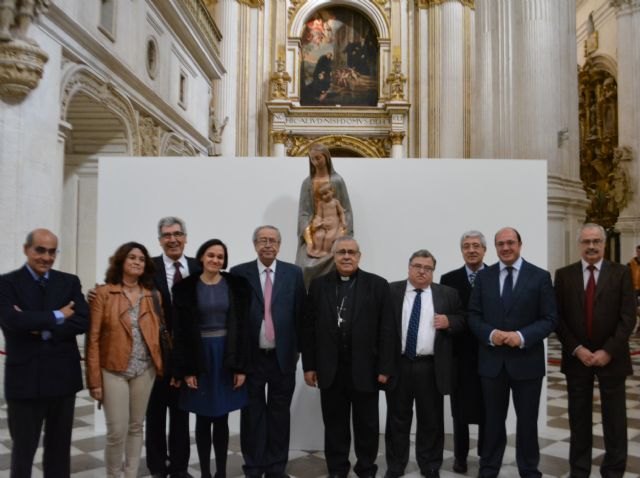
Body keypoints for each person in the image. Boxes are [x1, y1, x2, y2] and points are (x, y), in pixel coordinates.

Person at [302, 236, 395, 478]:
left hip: (366, 369)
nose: (346, 256)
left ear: (359, 256)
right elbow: (309, 329)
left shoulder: (377, 285)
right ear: (333, 256)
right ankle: (337, 469)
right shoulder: (319, 285)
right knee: (335, 425)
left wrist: (385, 367)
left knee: (367, 425)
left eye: (351, 252)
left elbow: (387, 329)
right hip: (330, 369)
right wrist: (309, 366)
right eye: (341, 252)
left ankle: (366, 468)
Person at [468, 227, 557, 478]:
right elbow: (473, 316)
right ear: (495, 247)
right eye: (500, 244)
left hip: (527, 363)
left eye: (510, 243)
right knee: (493, 421)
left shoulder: (539, 276)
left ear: (520, 244)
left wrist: (520, 336)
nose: (505, 248)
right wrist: (490, 334)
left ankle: (529, 469)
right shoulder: (484, 277)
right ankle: (489, 467)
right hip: (492, 362)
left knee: (527, 422)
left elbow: (550, 318)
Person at [0, 228, 89, 478]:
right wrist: (59, 315)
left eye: (52, 251)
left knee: (59, 452)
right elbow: (12, 320)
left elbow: (83, 320)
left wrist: (39, 327)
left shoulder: (69, 281)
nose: (46, 257)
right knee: (23, 452)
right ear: (26, 250)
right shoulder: (6, 283)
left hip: (62, 379)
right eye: (40, 250)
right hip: (25, 381)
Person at [554, 223, 636, 478]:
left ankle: (613, 470)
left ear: (603, 243)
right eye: (586, 241)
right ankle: (579, 470)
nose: (591, 246)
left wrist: (608, 351)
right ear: (580, 244)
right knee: (579, 419)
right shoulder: (564, 275)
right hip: (578, 359)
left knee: (615, 420)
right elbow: (558, 318)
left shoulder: (621, 273)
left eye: (596, 241)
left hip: (612, 358)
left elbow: (628, 318)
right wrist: (577, 349)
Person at [230, 225, 305, 478]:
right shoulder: (239, 273)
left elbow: (300, 315)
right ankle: (253, 465)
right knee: (251, 415)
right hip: (251, 359)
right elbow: (235, 319)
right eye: (262, 240)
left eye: (273, 240)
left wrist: (297, 352)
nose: (268, 245)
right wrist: (236, 361)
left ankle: (275, 467)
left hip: (282, 358)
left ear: (280, 245)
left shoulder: (293, 274)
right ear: (254, 245)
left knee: (279, 415)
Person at [172, 238, 250, 478]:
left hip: (226, 355)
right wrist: (187, 370)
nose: (216, 260)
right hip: (199, 356)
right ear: (201, 258)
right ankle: (206, 472)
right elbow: (181, 332)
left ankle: (222, 473)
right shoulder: (185, 288)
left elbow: (243, 328)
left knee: (222, 418)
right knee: (203, 418)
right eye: (211, 255)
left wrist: (240, 367)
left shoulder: (236, 285)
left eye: (220, 256)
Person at [86, 242, 164, 478]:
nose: (137, 262)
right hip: (113, 369)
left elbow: (160, 332)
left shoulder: (153, 296)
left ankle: (130, 474)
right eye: (132, 257)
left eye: (141, 259)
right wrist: (94, 381)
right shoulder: (104, 293)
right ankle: (113, 475)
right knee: (116, 431)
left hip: (145, 369)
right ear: (121, 261)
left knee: (136, 427)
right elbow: (93, 339)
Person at [385, 250, 465, 478]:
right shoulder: (391, 291)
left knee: (431, 420)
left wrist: (450, 321)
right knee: (397, 419)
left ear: (433, 271)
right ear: (409, 267)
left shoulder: (447, 294)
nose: (422, 271)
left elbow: (463, 318)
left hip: (431, 367)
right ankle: (396, 465)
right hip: (398, 365)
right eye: (417, 266)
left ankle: (429, 464)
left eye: (427, 268)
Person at [146, 217, 199, 478]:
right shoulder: (148, 268)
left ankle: (179, 469)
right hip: (155, 356)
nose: (173, 239)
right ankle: (157, 468)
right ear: (160, 240)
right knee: (155, 415)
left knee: (181, 416)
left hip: (186, 356)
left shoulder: (198, 266)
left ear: (186, 237)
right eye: (167, 235)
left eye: (178, 234)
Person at [439, 230, 487, 473]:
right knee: (459, 411)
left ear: (484, 250)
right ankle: (460, 456)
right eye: (467, 246)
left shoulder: (495, 275)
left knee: (489, 407)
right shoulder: (449, 279)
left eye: (476, 245)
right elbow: (447, 315)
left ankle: (486, 454)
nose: (471, 250)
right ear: (462, 250)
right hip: (459, 354)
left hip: (490, 353)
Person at [296, 143, 353, 287]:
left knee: (335, 251)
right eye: (312, 159)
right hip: (315, 227)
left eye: (318, 158)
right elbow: (304, 212)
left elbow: (345, 210)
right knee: (305, 266)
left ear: (327, 158)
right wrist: (308, 233)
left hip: (335, 228)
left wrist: (343, 232)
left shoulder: (337, 181)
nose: (316, 162)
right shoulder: (307, 183)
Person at [307, 182, 347, 257]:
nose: (324, 196)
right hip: (323, 224)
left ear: (332, 191)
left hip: (333, 225)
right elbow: (319, 215)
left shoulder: (335, 202)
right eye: (322, 195)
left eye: (326, 193)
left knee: (329, 237)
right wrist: (317, 222)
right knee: (318, 236)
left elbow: (341, 213)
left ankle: (325, 251)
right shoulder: (321, 204)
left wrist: (343, 221)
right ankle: (317, 250)